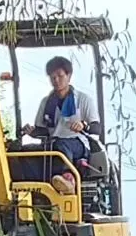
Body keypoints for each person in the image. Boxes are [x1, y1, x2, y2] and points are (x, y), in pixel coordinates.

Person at [21, 56, 98, 195]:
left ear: (69, 76)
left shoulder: (82, 99)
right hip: (53, 143)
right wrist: (32, 132)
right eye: (52, 77)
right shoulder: (47, 102)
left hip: (77, 143)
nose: (56, 80)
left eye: (60, 76)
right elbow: (43, 130)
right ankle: (32, 190)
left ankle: (67, 179)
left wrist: (83, 125)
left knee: (61, 145)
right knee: (24, 152)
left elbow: (97, 128)